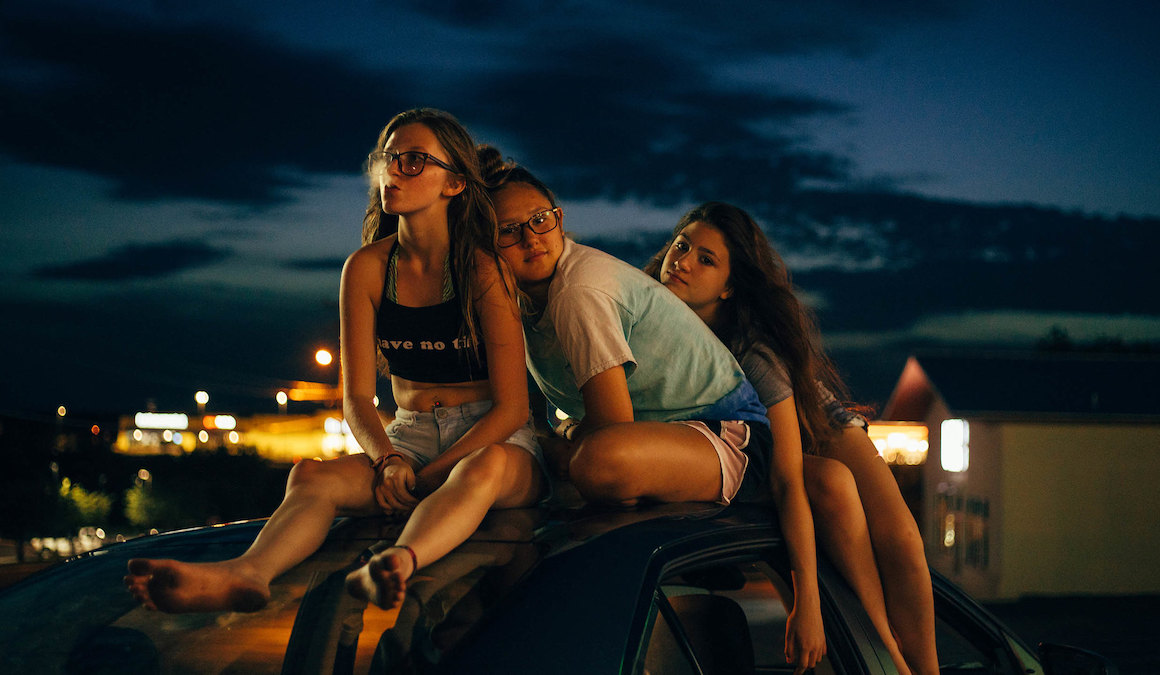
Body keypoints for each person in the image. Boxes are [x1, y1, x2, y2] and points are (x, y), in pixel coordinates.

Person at [124, 108, 544, 614]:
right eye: (387, 158)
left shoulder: (482, 269)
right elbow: (357, 400)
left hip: (492, 440)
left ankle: (396, 564)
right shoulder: (366, 268)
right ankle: (247, 574)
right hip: (408, 437)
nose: (393, 171)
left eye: (413, 161)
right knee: (310, 476)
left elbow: (512, 409)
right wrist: (387, 460)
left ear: (454, 183)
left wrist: (434, 473)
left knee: (482, 468)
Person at [479, 149, 833, 671]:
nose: (532, 238)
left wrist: (561, 442)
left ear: (560, 218)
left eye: (540, 219)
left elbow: (610, 437)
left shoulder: (578, 291)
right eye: (509, 231)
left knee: (596, 462)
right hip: (664, 438)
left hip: (730, 437)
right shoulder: (515, 304)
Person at [647, 201, 939, 674]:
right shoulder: (645, 318)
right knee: (830, 494)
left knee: (902, 539)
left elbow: (788, 473)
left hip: (814, 423)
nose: (682, 262)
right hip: (754, 445)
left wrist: (809, 604)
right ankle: (885, 655)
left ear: (729, 287)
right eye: (681, 246)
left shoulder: (752, 351)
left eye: (706, 259)